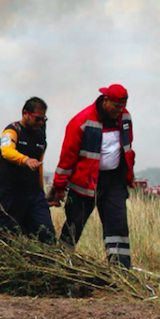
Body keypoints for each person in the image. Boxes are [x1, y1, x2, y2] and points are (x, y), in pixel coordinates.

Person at [47, 84, 135, 268]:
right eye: (116, 107)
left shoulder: (125, 117)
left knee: (118, 226)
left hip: (114, 183)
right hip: (85, 184)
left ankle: (121, 271)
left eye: (122, 106)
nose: (119, 111)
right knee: (74, 225)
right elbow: (67, 158)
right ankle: (59, 265)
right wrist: (59, 187)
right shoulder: (82, 121)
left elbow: (127, 148)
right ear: (105, 100)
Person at [0, 97, 54, 243]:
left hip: (34, 194)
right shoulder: (12, 130)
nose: (40, 123)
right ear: (25, 113)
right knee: (4, 237)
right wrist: (25, 160)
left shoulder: (40, 134)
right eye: (37, 119)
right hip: (9, 194)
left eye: (44, 119)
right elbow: (6, 151)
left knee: (46, 234)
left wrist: (42, 190)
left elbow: (40, 164)